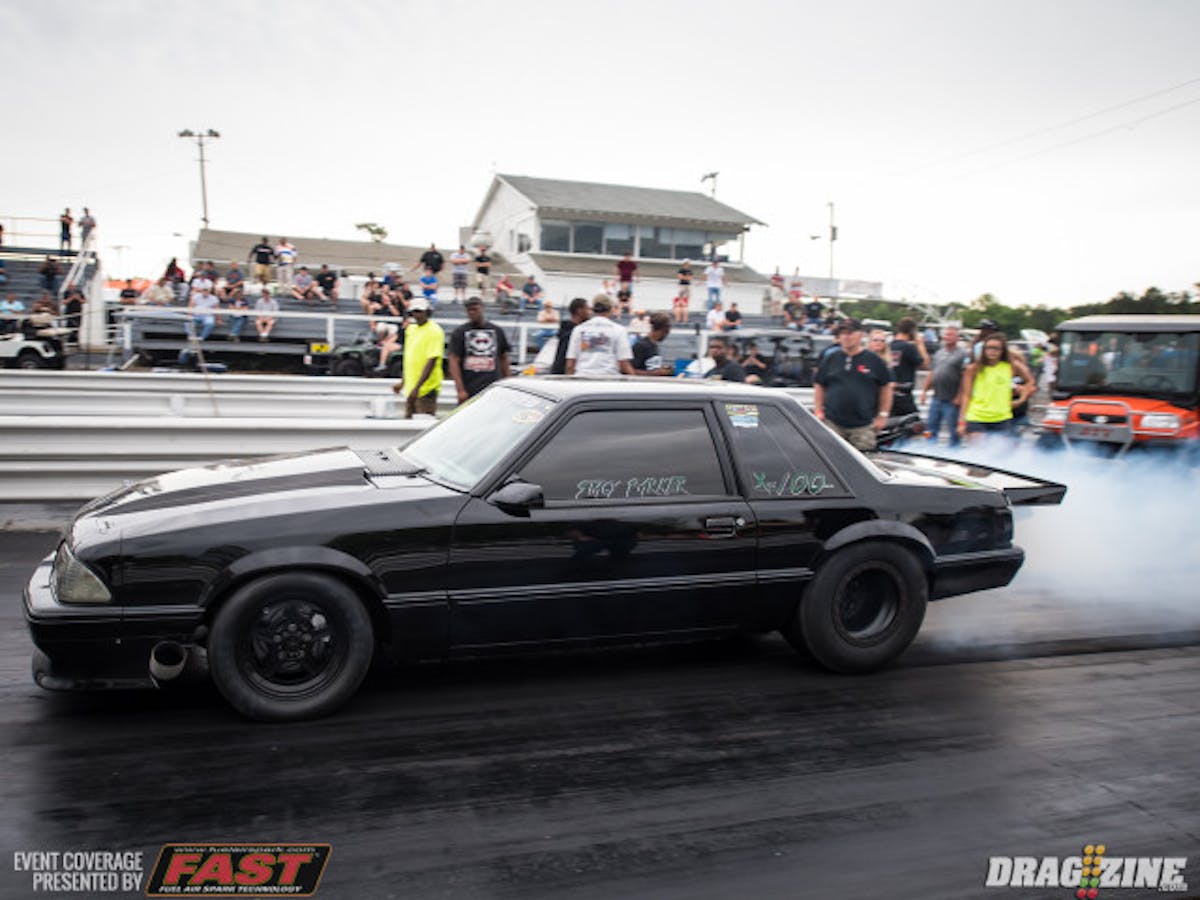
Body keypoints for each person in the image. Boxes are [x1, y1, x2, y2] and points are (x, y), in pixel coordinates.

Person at [813, 319, 895, 452]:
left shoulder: (874, 360)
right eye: (843, 333)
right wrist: (818, 410)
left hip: (862, 424)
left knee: (863, 461)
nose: (846, 336)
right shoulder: (831, 358)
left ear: (860, 335)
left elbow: (886, 387)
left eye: (850, 333)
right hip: (833, 422)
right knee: (831, 457)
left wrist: (883, 415)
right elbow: (819, 384)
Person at [957, 331, 1035, 439]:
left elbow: (1030, 381)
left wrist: (1021, 399)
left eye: (996, 348)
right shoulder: (973, 369)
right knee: (977, 452)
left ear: (1002, 350)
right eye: (989, 348)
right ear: (984, 349)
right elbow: (966, 396)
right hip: (977, 416)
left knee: (998, 452)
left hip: (1001, 418)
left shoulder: (1011, 366)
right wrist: (961, 422)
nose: (992, 351)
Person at [447, 296, 512, 403]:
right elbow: (453, 361)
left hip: (493, 388)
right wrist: (460, 390)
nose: (472, 312)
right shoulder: (459, 332)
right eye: (469, 310)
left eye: (475, 309)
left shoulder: (497, 331)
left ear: (482, 308)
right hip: (470, 388)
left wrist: (508, 382)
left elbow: (504, 358)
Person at [391, 298, 444, 417]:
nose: (417, 315)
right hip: (411, 389)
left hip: (426, 389)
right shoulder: (411, 330)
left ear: (428, 312)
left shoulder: (434, 331)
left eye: (420, 311)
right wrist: (403, 383)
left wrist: (417, 388)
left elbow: (432, 360)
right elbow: (409, 359)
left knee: (423, 424)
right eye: (415, 311)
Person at [920, 326, 970, 447]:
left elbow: (965, 377)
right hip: (937, 397)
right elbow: (932, 372)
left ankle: (954, 452)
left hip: (952, 399)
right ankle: (929, 448)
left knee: (953, 430)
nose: (947, 337)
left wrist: (959, 396)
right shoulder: (939, 353)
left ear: (957, 338)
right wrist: (924, 391)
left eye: (951, 335)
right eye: (946, 335)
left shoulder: (962, 354)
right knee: (930, 427)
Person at [565, 295, 634, 376]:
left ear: (593, 309)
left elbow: (570, 364)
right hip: (609, 379)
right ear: (611, 308)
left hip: (582, 378)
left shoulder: (578, 329)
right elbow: (624, 364)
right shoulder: (619, 330)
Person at [887, 317, 929, 417]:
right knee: (914, 423)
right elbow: (925, 364)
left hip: (889, 393)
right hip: (904, 393)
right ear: (912, 331)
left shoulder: (889, 346)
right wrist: (920, 344)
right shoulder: (908, 347)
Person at [551, 297, 591, 374]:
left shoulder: (566, 330)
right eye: (587, 309)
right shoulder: (571, 334)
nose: (590, 312)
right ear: (579, 311)